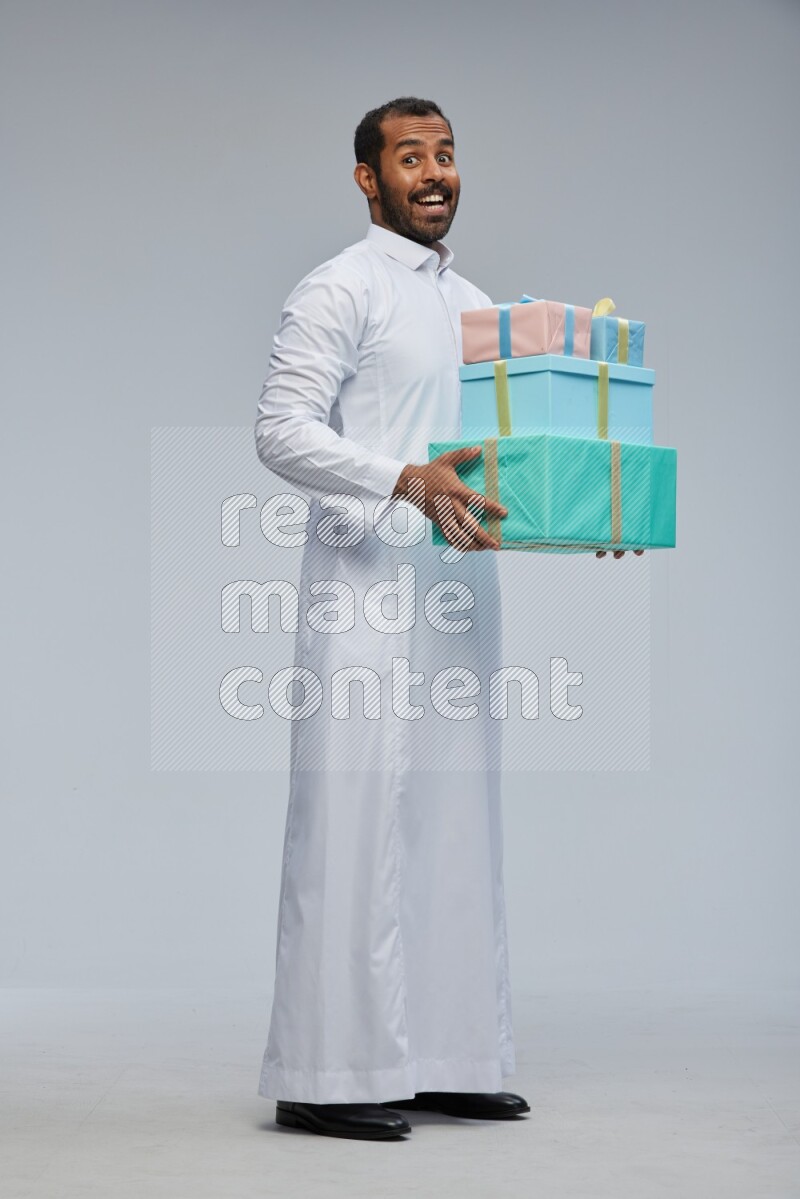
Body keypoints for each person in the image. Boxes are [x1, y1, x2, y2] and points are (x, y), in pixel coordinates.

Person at [254, 96, 634, 1142]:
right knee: (354, 823)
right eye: (408, 156)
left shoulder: (475, 308)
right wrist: (398, 482)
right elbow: (279, 428)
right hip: (364, 585)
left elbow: (501, 458)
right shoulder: (339, 287)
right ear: (367, 180)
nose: (433, 172)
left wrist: (588, 512)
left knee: (455, 819)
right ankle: (326, 1069)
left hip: (458, 591)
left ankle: (447, 1053)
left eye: (447, 154)